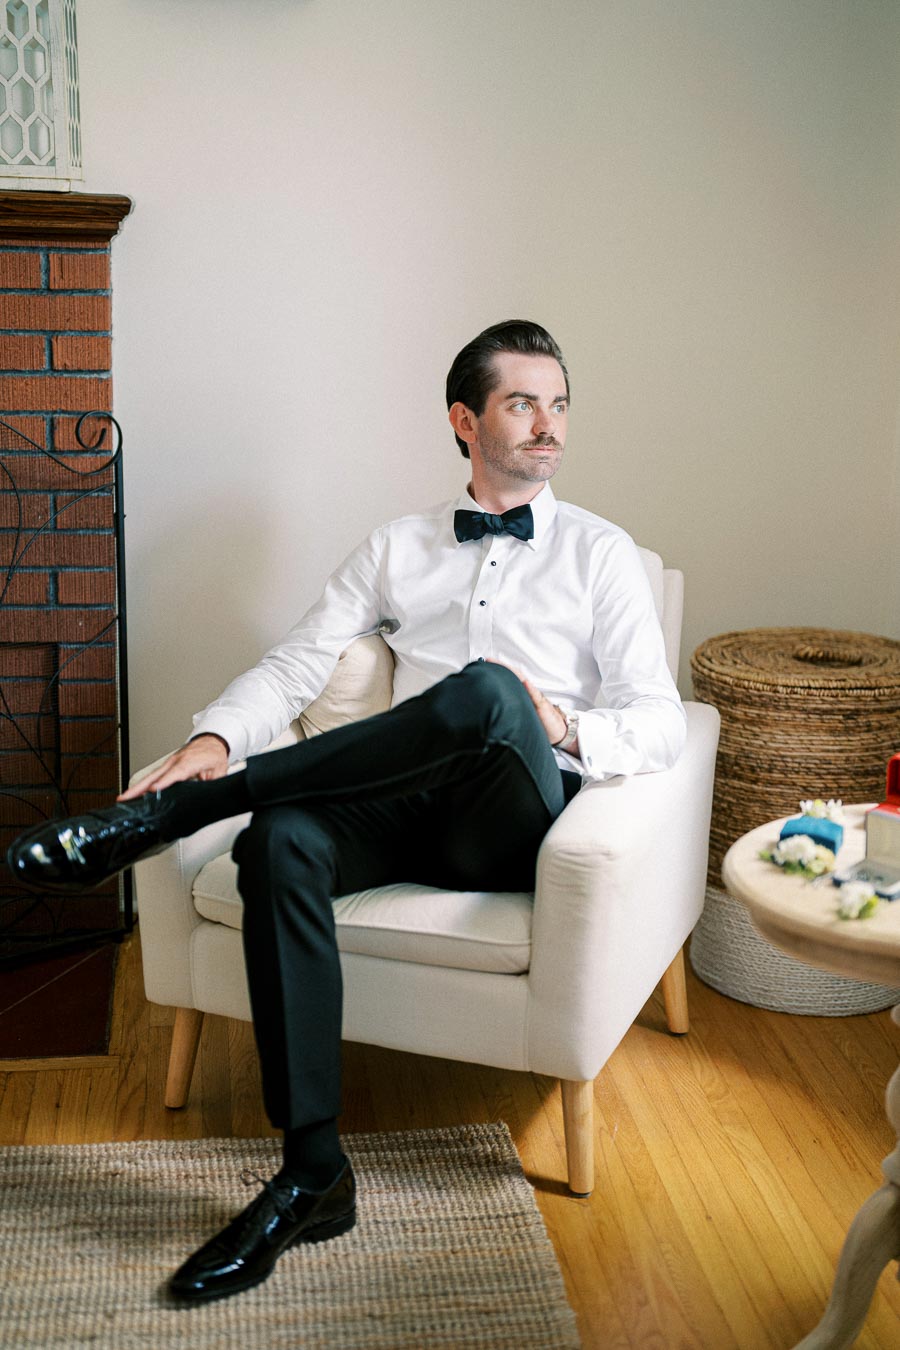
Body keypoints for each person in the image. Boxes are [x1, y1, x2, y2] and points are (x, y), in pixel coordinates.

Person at [7, 319, 686, 1302]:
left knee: (491, 694)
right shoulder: (396, 548)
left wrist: (564, 725)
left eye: (560, 404)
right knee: (280, 843)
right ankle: (312, 1171)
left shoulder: (603, 554)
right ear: (466, 420)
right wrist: (210, 740)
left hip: (515, 822)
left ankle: (178, 818)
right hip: (403, 805)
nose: (551, 426)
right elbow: (296, 663)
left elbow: (660, 724)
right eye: (523, 403)